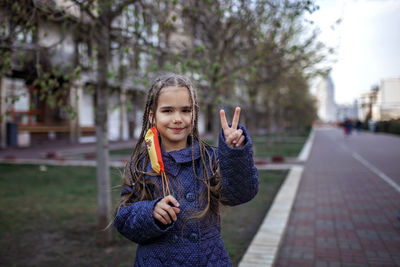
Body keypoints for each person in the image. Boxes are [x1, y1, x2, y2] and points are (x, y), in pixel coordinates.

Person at [114, 73, 258, 266]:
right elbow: (123, 220)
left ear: (194, 114)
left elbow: (241, 194)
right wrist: (150, 212)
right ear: (152, 115)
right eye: (167, 111)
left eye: (185, 110)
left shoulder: (209, 159)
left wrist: (234, 153)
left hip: (207, 259)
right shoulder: (140, 165)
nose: (178, 119)